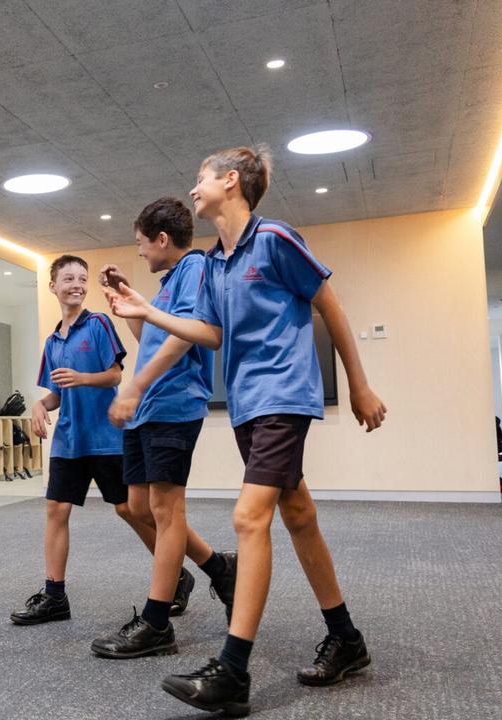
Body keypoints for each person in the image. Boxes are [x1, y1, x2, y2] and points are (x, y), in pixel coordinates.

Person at [106, 145, 386, 716]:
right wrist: (145, 310)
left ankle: (233, 670)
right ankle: (347, 638)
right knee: (297, 512)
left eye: (200, 177)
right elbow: (206, 334)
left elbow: (328, 304)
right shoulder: (215, 263)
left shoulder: (275, 240)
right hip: (247, 405)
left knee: (247, 516)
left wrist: (358, 384)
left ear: (231, 182)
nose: (192, 189)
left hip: (285, 394)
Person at [88, 200, 237, 660]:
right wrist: (126, 301)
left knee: (166, 508)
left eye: (141, 245)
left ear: (162, 240)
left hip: (173, 404)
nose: (140, 253)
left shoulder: (194, 269)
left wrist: (135, 386)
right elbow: (149, 337)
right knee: (137, 506)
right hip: (146, 408)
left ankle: (155, 624)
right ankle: (219, 567)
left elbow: (184, 336)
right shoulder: (170, 281)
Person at [10, 255, 140, 625]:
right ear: (52, 286)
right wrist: (39, 404)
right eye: (68, 278)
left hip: (107, 438)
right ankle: (55, 597)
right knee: (57, 510)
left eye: (82, 278)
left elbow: (115, 376)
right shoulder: (52, 341)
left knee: (130, 510)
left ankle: (175, 575)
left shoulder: (98, 324)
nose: (77, 284)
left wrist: (82, 379)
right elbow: (56, 392)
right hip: (69, 439)